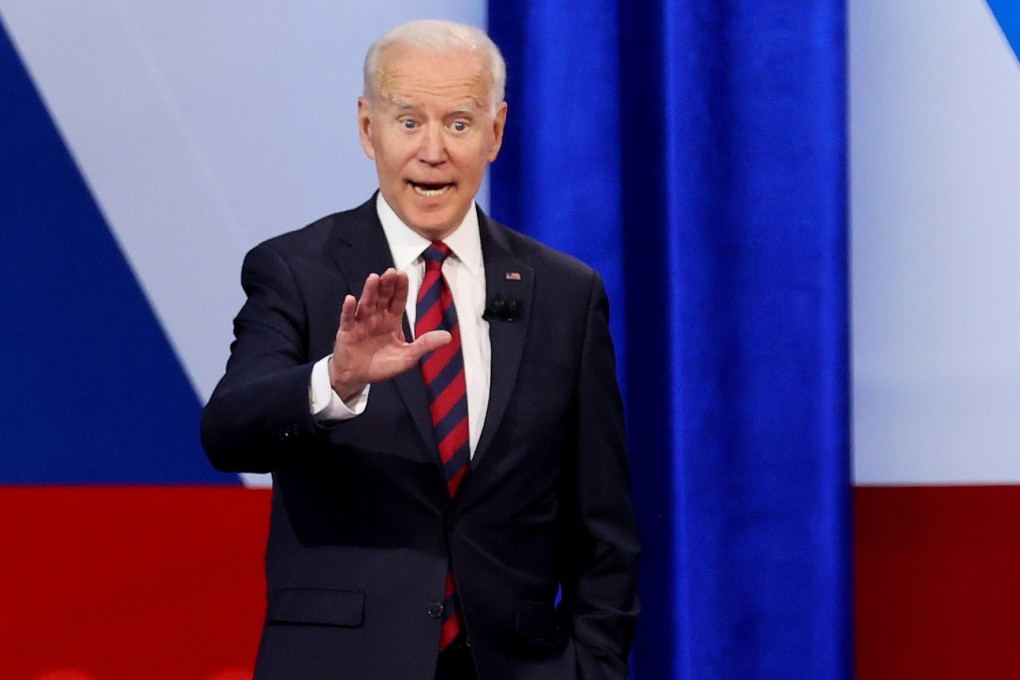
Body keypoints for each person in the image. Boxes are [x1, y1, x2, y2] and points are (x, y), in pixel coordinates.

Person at [201, 19, 639, 680]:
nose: (433, 151)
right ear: (367, 127)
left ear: (495, 132)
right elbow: (229, 431)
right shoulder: (298, 271)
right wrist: (335, 380)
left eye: (459, 124)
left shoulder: (565, 293)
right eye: (408, 122)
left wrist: (590, 668)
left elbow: (603, 525)